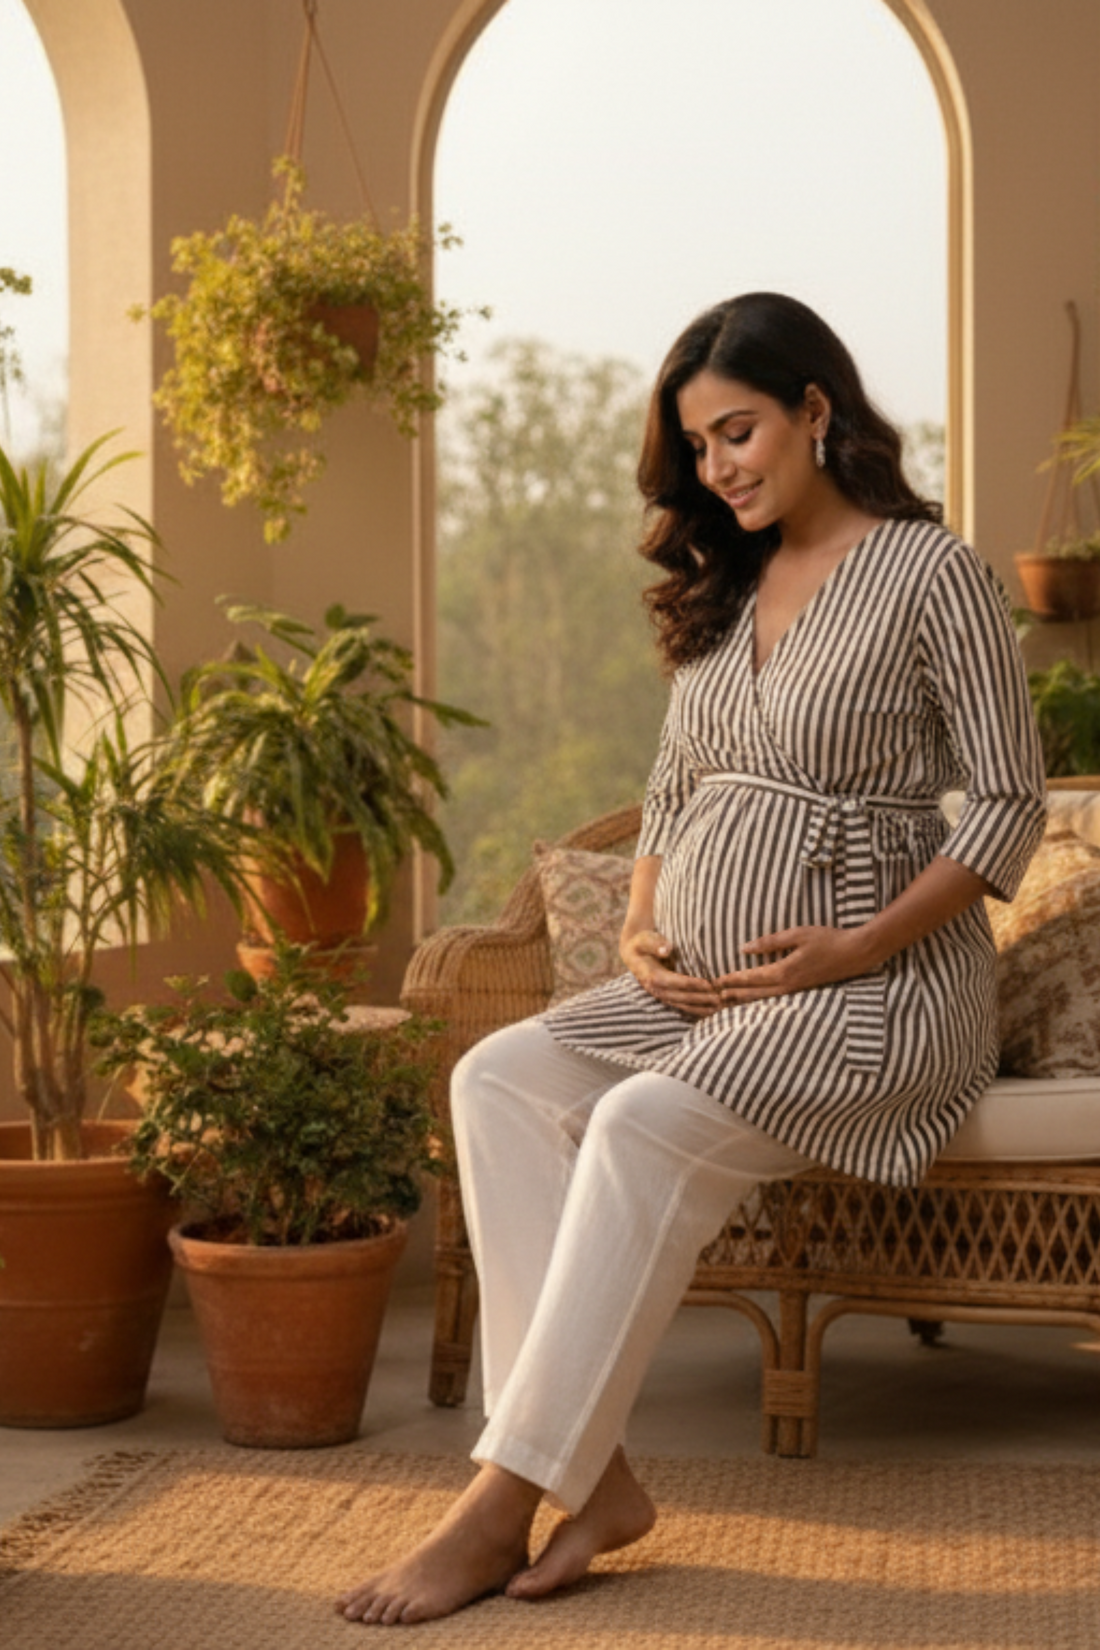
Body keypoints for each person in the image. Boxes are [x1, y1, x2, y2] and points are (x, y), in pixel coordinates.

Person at [336, 292, 1046, 1626]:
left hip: (879, 989)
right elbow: (673, 785)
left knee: (638, 1125)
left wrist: (857, 941)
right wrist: (642, 920)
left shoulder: (928, 570)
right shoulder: (728, 580)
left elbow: (1008, 802)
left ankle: (498, 1499)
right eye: (700, 446)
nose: (720, 467)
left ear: (815, 410)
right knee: (498, 1079)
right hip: (699, 989)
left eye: (740, 431)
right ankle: (595, 1476)